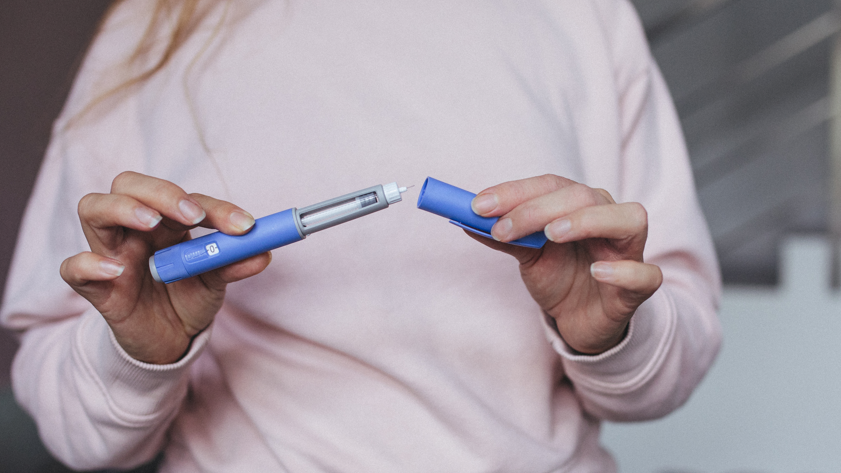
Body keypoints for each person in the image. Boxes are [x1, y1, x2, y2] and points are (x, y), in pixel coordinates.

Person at [0, 0, 722, 471]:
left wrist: (605, 331)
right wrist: (135, 353)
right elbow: (79, 434)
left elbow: (669, 364)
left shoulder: (582, 16)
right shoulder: (148, 29)